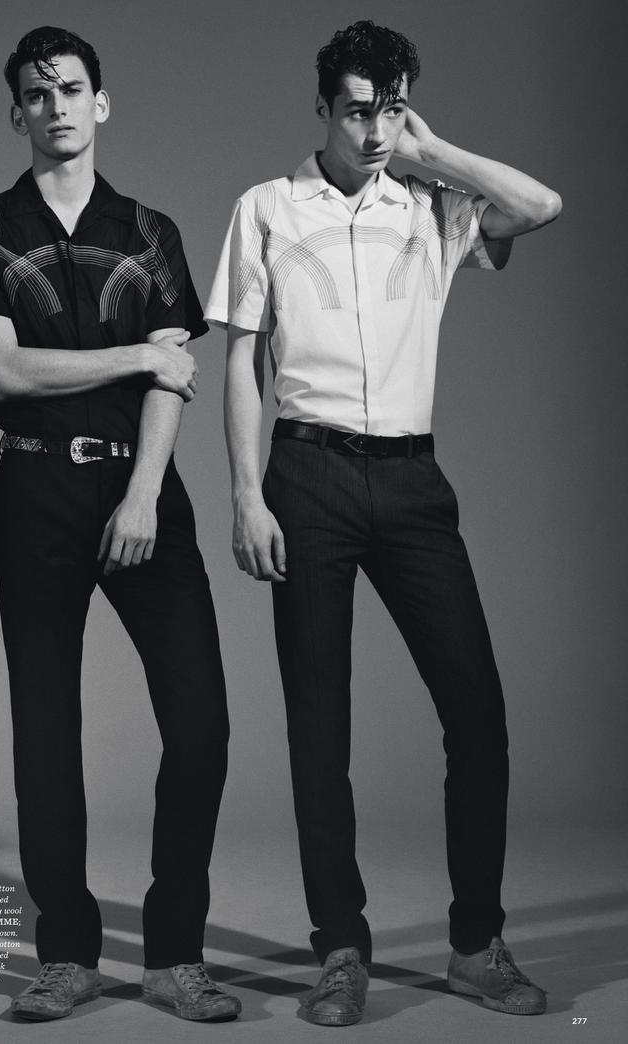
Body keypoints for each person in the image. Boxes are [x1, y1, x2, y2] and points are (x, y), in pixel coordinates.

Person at [206, 18, 560, 1027]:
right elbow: (241, 360)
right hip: (306, 475)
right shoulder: (265, 208)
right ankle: (340, 951)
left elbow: (541, 205)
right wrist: (246, 494)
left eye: (390, 111)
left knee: (477, 715)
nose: (372, 132)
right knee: (319, 730)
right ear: (322, 107)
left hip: (412, 484)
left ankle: (475, 946)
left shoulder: (433, 208)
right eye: (358, 111)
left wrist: (431, 149)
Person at [0, 25, 241, 1024]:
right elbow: (6, 370)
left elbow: (173, 380)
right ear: (16, 112)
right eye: (37, 94)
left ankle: (175, 955)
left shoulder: (148, 231)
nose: (56, 106)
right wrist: (139, 353)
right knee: (45, 731)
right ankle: (65, 955)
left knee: (201, 725)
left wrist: (145, 493)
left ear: (99, 103)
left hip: (140, 484)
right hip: (33, 493)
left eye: (70, 89)